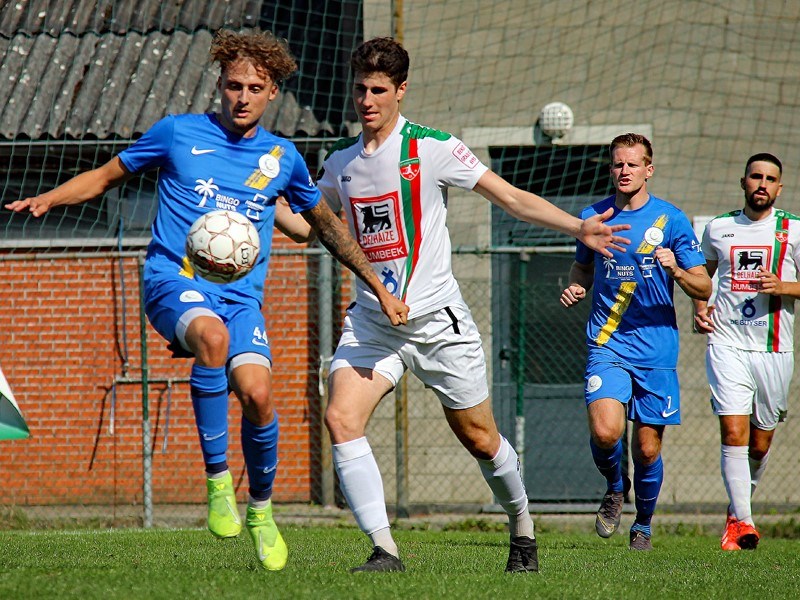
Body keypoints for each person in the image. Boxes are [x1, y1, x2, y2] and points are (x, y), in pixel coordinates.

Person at [5, 30, 408, 571]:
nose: (242, 96)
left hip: (242, 298)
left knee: (260, 397)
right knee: (211, 340)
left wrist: (380, 287)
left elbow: (326, 229)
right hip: (173, 281)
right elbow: (105, 177)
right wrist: (50, 197)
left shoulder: (282, 157)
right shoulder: (177, 134)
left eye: (255, 87)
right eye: (233, 84)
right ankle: (218, 482)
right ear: (219, 85)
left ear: (272, 94)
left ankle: (261, 512)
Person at [315, 37, 631, 573]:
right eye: (360, 89)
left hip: (438, 321)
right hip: (373, 319)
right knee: (341, 417)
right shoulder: (341, 163)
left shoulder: (432, 147)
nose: (366, 100)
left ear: (400, 91)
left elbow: (510, 198)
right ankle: (384, 549)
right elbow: (313, 223)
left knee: (480, 437)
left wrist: (579, 226)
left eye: (378, 90)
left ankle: (523, 530)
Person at [559, 133, 712, 551]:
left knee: (646, 449)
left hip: (657, 348)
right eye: (617, 164)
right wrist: (576, 287)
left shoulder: (671, 220)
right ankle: (613, 488)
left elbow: (704, 286)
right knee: (607, 432)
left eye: (632, 164)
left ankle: (643, 523)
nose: (624, 171)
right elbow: (581, 270)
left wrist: (678, 271)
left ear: (649, 169)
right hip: (607, 343)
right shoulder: (594, 216)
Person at [693, 153, 800, 551]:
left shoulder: (793, 230)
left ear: (779, 188)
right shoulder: (718, 228)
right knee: (733, 430)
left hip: (774, 349)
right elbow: (701, 278)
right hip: (726, 343)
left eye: (770, 179)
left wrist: (784, 287)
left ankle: (737, 508)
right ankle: (744, 524)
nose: (762, 184)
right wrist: (700, 309)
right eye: (755, 176)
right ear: (743, 182)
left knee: (759, 444)